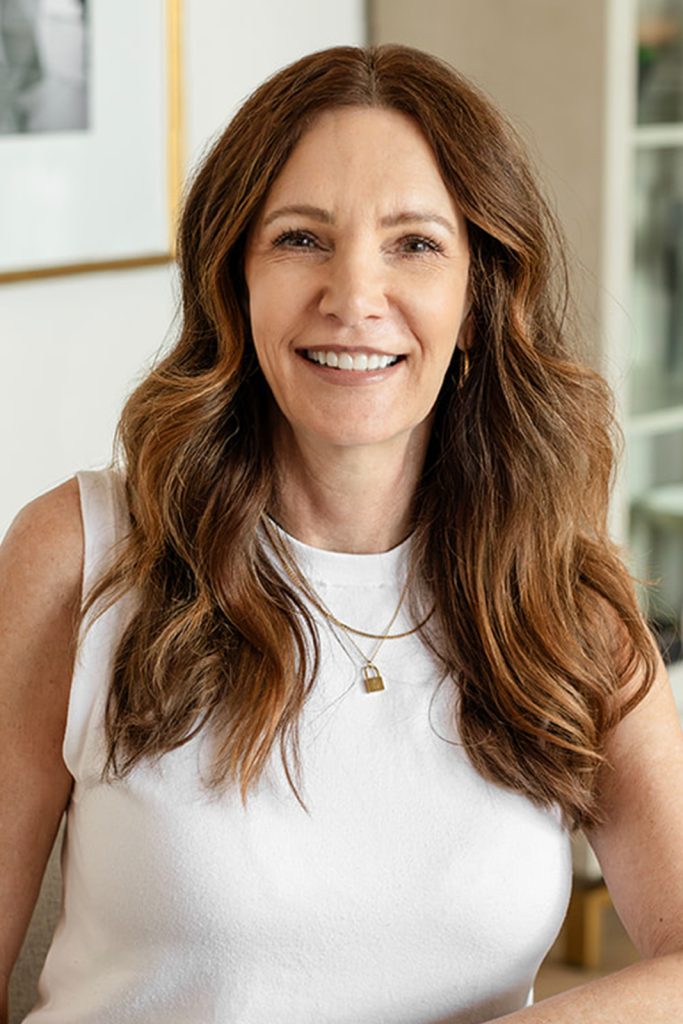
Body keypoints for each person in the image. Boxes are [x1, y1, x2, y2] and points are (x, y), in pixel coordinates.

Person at [2, 43, 682, 1024]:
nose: (354, 295)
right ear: (233, 279)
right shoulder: (82, 555)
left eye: (412, 244)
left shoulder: (560, 597)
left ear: (477, 301)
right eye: (300, 239)